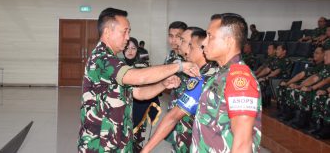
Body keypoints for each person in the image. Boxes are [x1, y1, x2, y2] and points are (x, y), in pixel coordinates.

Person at [77, 8, 199, 152]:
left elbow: (139, 93)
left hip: (117, 141)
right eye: (125, 31)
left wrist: (162, 84)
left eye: (129, 32)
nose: (128, 37)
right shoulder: (102, 59)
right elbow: (139, 77)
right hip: (101, 145)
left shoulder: (114, 61)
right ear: (108, 32)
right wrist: (179, 66)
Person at [190, 13, 262, 153]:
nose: (204, 42)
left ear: (229, 41)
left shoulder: (239, 78)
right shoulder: (222, 73)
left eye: (210, 36)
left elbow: (242, 143)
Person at [141, 27, 217, 153]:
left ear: (202, 49)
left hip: (196, 141)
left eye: (190, 46)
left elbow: (173, 116)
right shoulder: (200, 72)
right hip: (187, 135)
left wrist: (146, 149)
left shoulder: (203, 77)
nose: (187, 50)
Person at [123, 37, 160, 151]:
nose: (130, 51)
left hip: (140, 108)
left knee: (137, 142)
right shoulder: (117, 65)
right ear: (123, 50)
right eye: (127, 48)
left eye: (133, 48)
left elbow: (150, 84)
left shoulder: (143, 67)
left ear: (137, 50)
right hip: (121, 111)